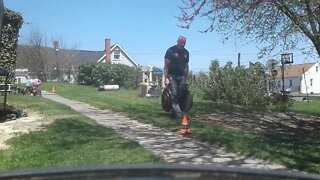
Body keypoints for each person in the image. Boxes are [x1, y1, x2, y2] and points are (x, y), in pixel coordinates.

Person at [164, 36, 189, 120]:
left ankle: (174, 114)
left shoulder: (186, 52)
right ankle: (178, 116)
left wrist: (186, 78)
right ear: (177, 41)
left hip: (182, 76)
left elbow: (186, 66)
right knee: (174, 95)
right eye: (181, 43)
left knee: (180, 95)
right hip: (172, 75)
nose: (182, 44)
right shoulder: (170, 50)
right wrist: (166, 78)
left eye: (184, 43)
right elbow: (166, 65)